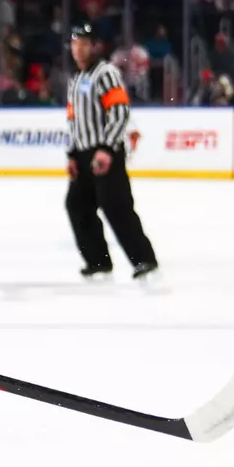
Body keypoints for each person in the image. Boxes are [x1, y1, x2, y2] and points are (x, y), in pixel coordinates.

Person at [64, 22, 158, 280]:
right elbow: (74, 120)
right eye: (75, 44)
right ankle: (98, 262)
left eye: (84, 44)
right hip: (83, 155)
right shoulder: (75, 79)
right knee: (77, 206)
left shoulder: (105, 73)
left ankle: (144, 260)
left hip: (106, 151)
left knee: (116, 206)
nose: (78, 49)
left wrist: (106, 148)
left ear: (95, 46)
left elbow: (119, 112)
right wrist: (72, 154)